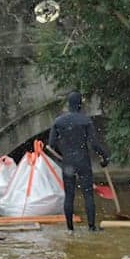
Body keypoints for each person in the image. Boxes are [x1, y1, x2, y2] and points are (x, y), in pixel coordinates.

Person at [48, 92, 110, 232]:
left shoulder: (58, 122)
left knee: (69, 195)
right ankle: (91, 227)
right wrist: (104, 156)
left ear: (68, 105)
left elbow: (51, 144)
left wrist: (62, 155)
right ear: (80, 104)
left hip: (68, 162)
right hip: (83, 161)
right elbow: (94, 144)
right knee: (88, 194)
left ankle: (70, 229)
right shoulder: (86, 121)